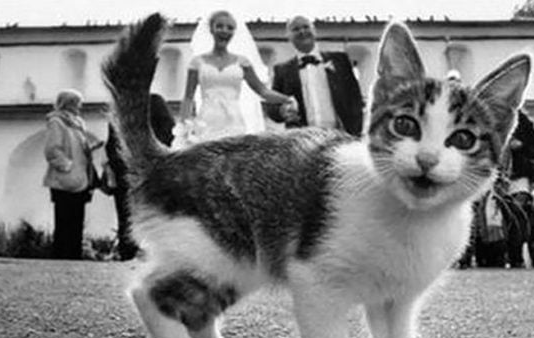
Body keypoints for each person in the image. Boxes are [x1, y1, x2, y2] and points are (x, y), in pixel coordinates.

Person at [177, 10, 296, 144]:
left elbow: (263, 91)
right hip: (206, 123)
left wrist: (287, 99)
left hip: (234, 122)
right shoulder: (197, 62)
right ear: (211, 29)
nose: (224, 31)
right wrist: (183, 128)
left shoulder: (242, 62)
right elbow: (188, 97)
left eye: (230, 28)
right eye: (220, 26)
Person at [105, 93, 175, 260]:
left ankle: (128, 253)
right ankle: (150, 254)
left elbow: (111, 146)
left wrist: (121, 166)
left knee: (127, 214)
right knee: (152, 213)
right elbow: (169, 135)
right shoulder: (154, 103)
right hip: (148, 171)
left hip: (131, 171)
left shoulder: (121, 108)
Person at [267, 15, 364, 136]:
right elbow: (272, 106)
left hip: (341, 135)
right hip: (302, 140)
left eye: (306, 27)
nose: (302, 31)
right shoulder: (282, 70)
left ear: (314, 31)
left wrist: (357, 132)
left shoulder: (340, 60)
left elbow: (355, 98)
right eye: (295, 29)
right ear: (288, 37)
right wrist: (282, 111)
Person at [43, 89, 103, 260]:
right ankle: (61, 254)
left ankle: (73, 254)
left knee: (77, 218)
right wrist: (67, 167)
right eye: (77, 103)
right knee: (63, 218)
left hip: (80, 178)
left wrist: (90, 149)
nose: (80, 107)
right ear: (69, 103)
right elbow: (52, 149)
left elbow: (76, 149)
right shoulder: (57, 122)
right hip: (64, 179)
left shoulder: (77, 123)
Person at [502, 110, 534, 268]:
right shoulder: (489, 114)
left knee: (517, 214)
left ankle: (516, 256)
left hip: (518, 175)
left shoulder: (523, 121)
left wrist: (521, 145)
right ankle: (499, 256)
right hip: (495, 176)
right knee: (500, 218)